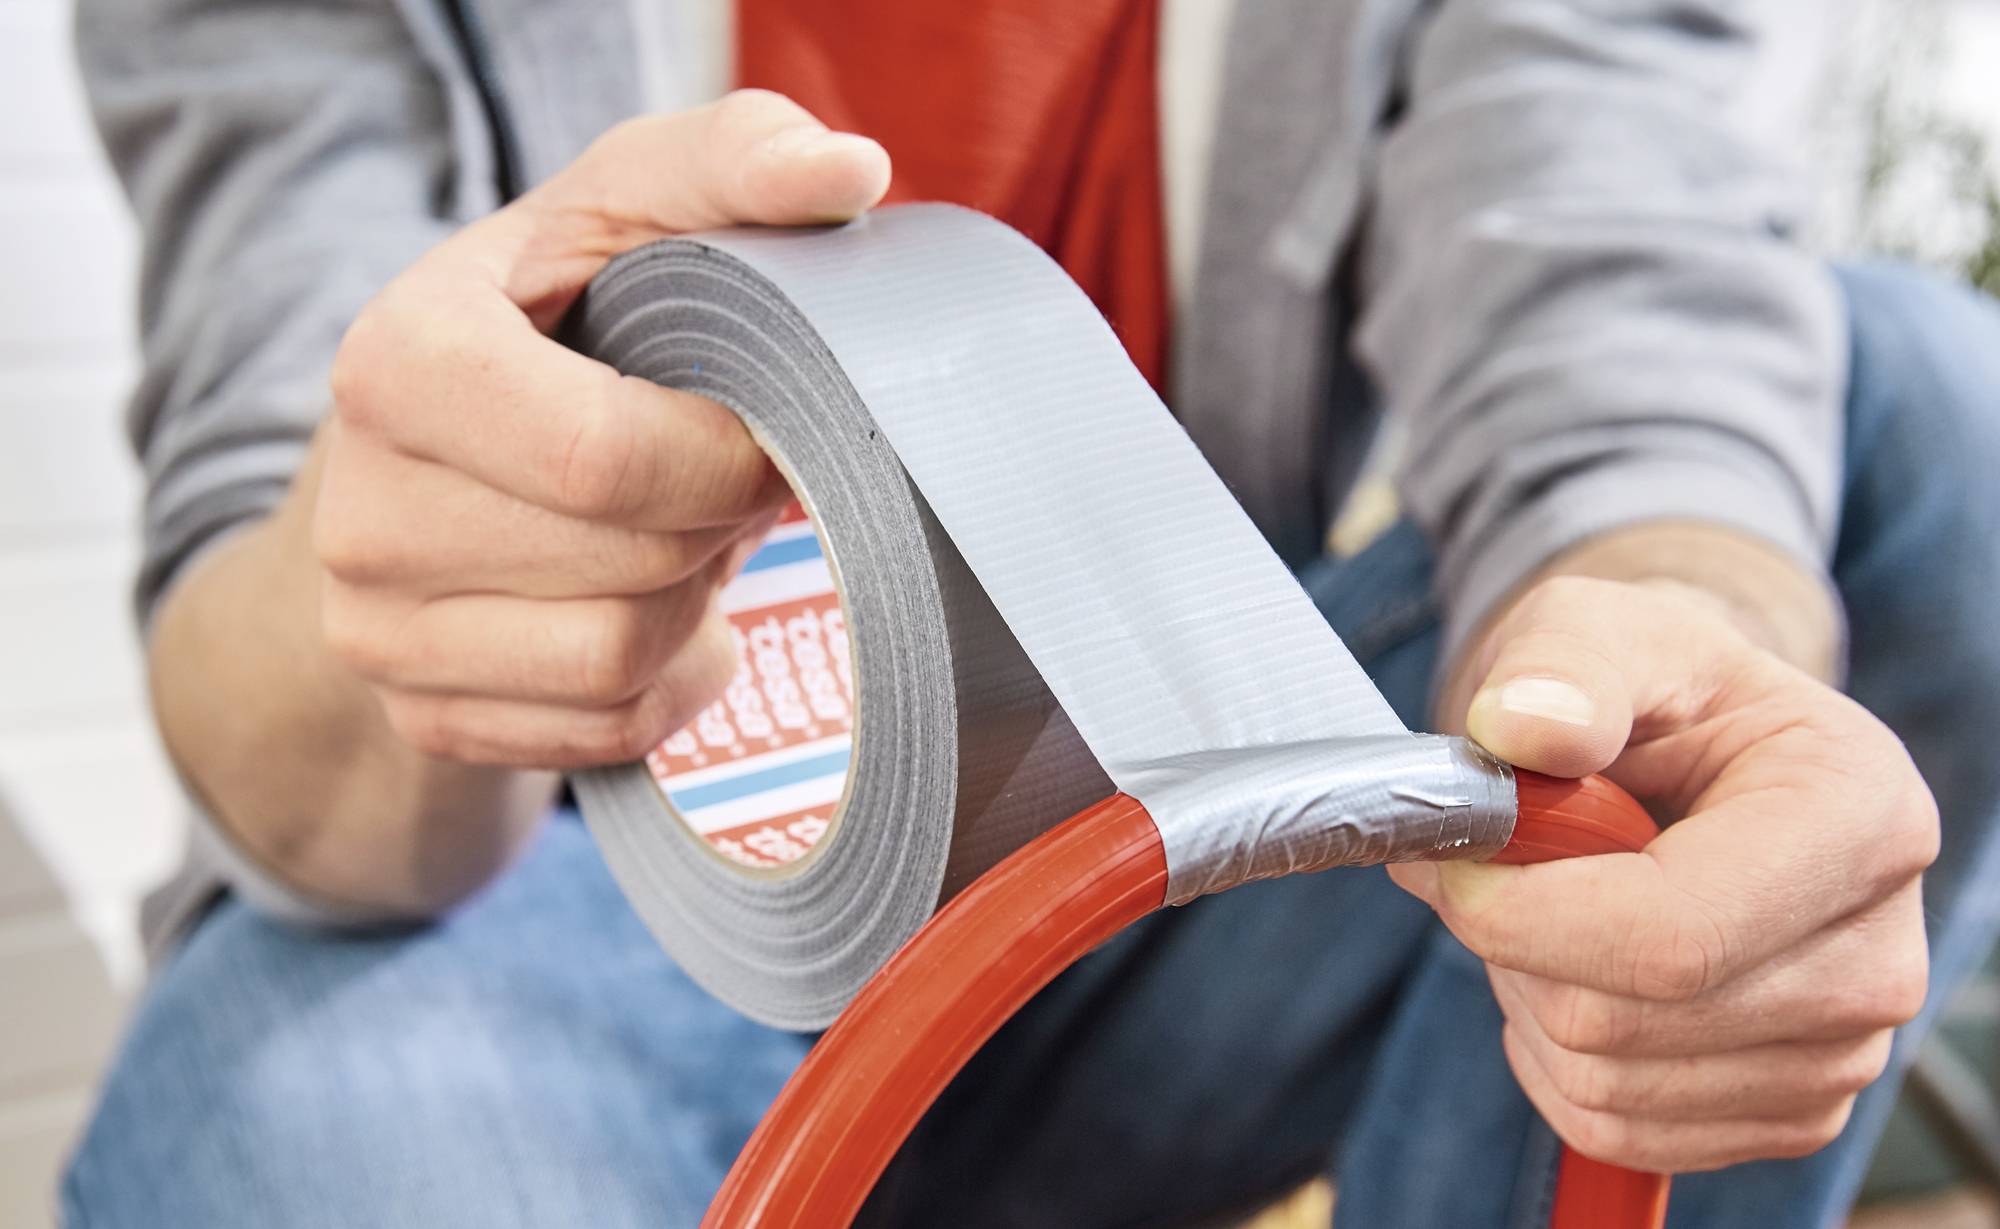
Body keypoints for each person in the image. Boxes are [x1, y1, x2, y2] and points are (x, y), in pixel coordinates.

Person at [60, 1, 2000, 1226]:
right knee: (340, 1158)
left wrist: (1681, 663)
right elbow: (258, 601)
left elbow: (1617, 298)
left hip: (1151, 853)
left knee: (1921, 429)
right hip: (527, 929)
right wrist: (392, 581)